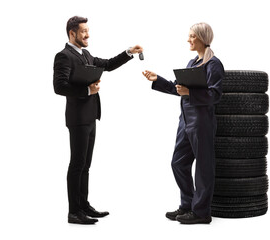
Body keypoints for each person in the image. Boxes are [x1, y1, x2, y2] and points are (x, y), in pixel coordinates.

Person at [53, 16, 143, 224]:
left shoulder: (85, 54)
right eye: (84, 31)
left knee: (85, 165)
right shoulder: (63, 56)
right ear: (72, 33)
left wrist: (129, 52)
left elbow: (108, 65)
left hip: (91, 116)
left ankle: (83, 205)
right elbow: (59, 86)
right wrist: (87, 90)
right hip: (77, 118)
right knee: (77, 164)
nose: (88, 35)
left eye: (88, 30)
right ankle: (74, 212)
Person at [142, 22, 224, 224]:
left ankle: (202, 212)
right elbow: (177, 89)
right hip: (185, 121)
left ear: (202, 38)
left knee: (204, 167)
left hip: (202, 122)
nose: (188, 40)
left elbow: (215, 94)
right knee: (178, 163)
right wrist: (157, 79)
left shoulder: (213, 64)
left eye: (192, 36)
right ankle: (187, 205)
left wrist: (190, 93)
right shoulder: (191, 63)